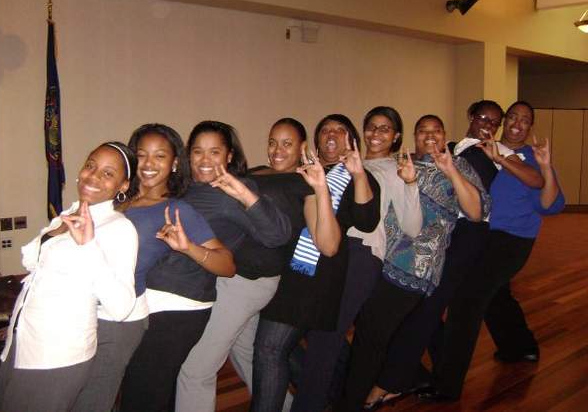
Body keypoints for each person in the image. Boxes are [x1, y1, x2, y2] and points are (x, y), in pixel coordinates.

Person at [371, 100, 541, 404]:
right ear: (470, 116)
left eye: (494, 121)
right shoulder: (453, 147)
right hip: (444, 232)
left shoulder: (498, 151)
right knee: (434, 302)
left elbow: (531, 184)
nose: (487, 124)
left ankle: (401, 380)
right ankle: (435, 370)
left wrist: (508, 161)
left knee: (436, 304)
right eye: (482, 117)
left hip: (470, 232)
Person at [338, 115, 489, 411]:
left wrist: (450, 171)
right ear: (413, 136)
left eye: (436, 131)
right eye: (422, 131)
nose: (429, 136)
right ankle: (392, 382)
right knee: (374, 333)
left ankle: (357, 399)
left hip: (414, 265)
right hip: (378, 259)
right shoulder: (401, 163)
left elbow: (476, 212)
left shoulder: (459, 165)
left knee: (370, 337)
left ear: (445, 135)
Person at [419, 101, 565, 401]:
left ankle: (447, 386)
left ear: (530, 127)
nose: (517, 124)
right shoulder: (489, 148)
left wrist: (544, 165)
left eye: (525, 120)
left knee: (467, 301)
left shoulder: (528, 157)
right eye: (513, 117)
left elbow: (550, 203)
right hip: (484, 236)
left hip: (512, 240)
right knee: (497, 295)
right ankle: (519, 346)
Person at [0, 142, 139, 412]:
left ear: (123, 185)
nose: (93, 176)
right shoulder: (69, 213)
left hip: (56, 354)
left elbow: (122, 307)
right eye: (90, 165)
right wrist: (57, 229)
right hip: (23, 340)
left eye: (108, 173)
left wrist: (89, 247)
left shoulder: (119, 228)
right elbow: (32, 260)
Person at [253, 114, 381, 412]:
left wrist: (358, 174)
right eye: (325, 130)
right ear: (314, 141)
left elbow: (366, 220)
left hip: (314, 275)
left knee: (270, 349)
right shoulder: (301, 171)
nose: (331, 134)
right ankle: (332, 398)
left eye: (339, 130)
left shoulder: (352, 174)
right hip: (286, 271)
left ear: (351, 139)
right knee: (283, 350)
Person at [172, 121, 293, 412]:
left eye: (214, 152)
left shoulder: (234, 189)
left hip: (243, 282)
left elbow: (278, 235)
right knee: (245, 353)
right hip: (227, 278)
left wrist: (245, 194)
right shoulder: (188, 188)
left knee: (195, 368)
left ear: (228, 156)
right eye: (198, 151)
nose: (204, 159)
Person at [115, 124, 234, 412]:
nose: (149, 164)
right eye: (142, 155)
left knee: (141, 393)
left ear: (175, 163)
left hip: (175, 311)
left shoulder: (176, 210)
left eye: (160, 156)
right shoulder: (120, 203)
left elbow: (228, 264)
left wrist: (188, 247)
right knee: (153, 390)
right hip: (136, 305)